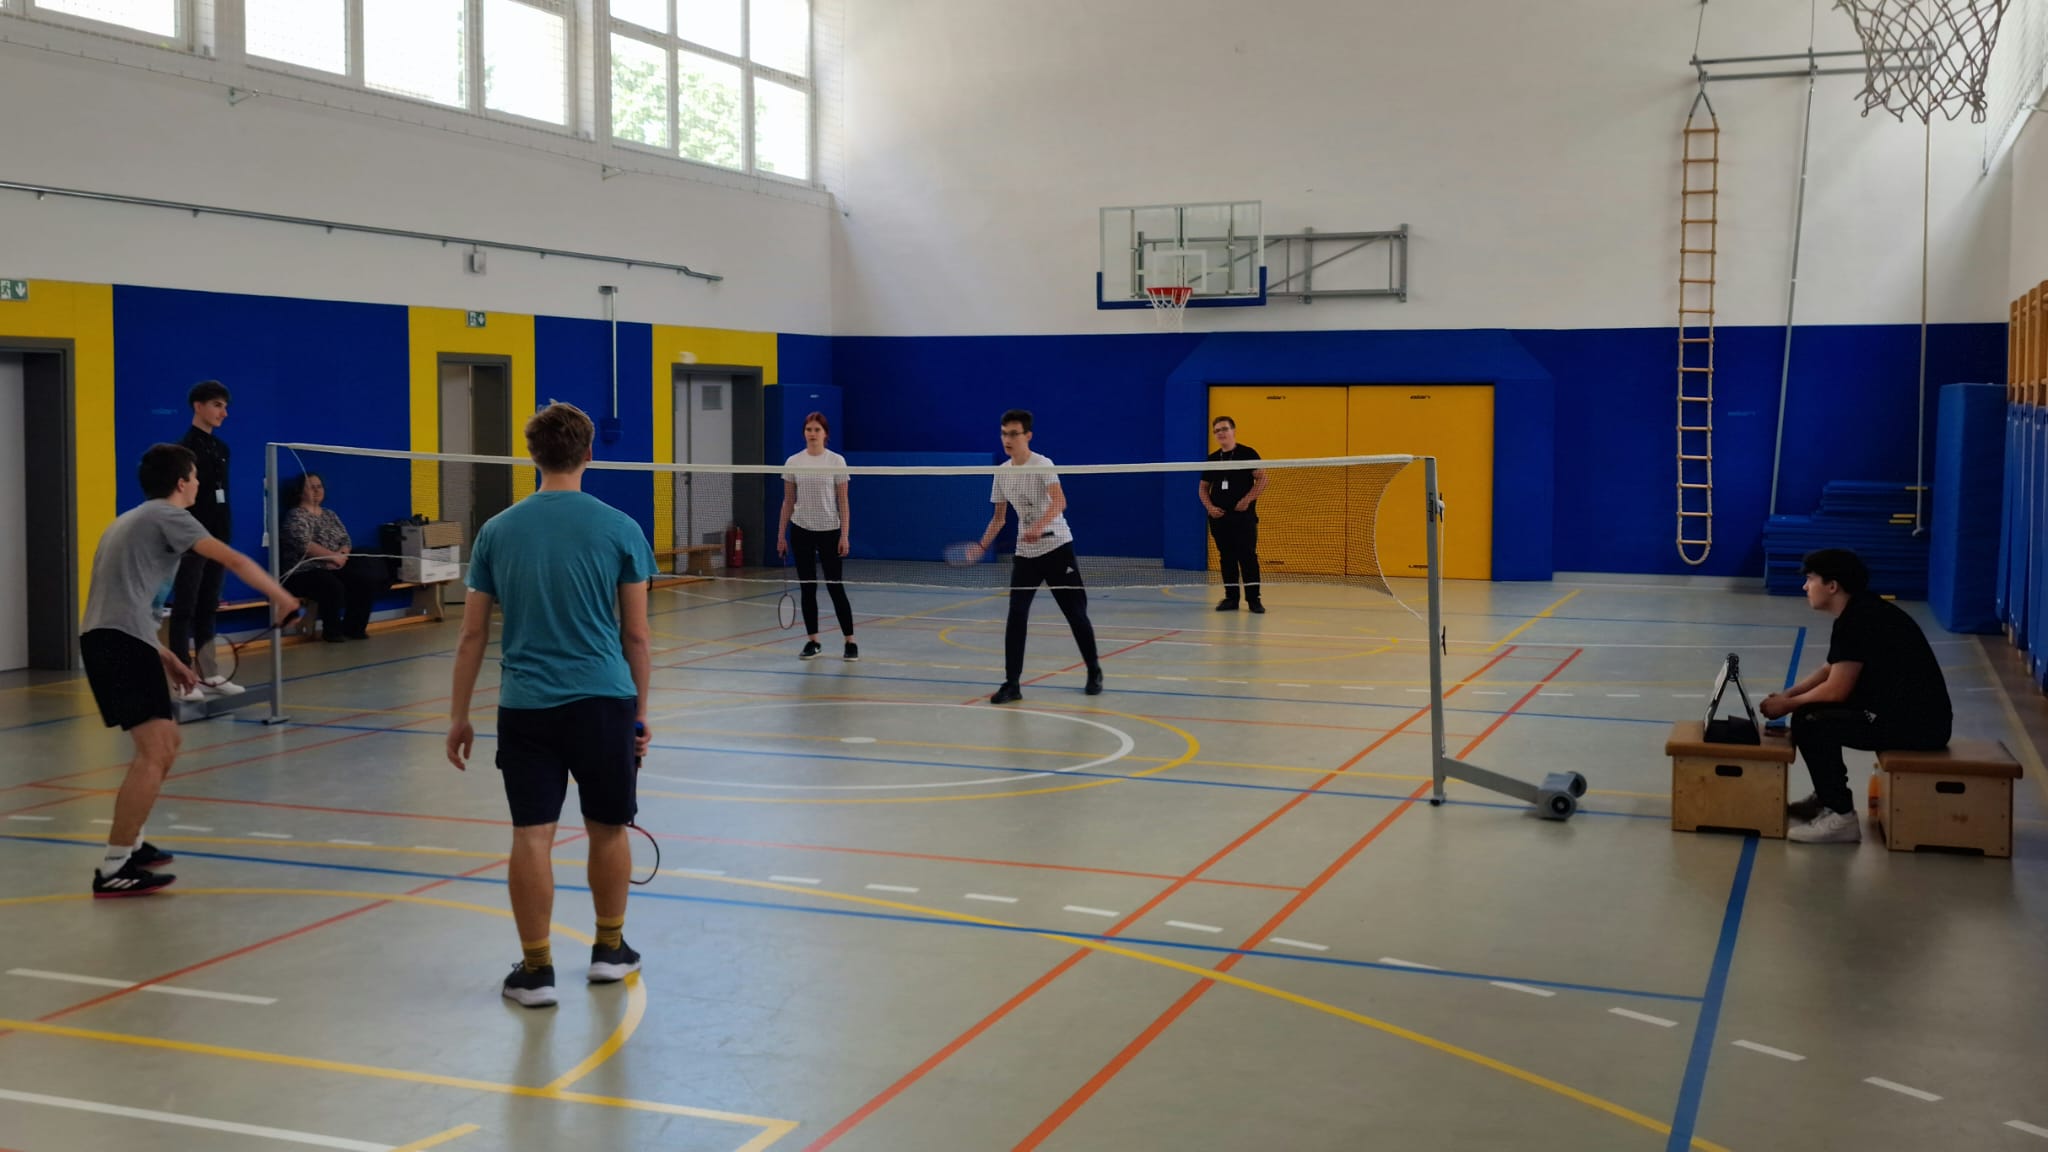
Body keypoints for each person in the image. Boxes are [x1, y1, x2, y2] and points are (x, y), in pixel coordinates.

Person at [446, 401, 658, 1008]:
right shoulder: (621, 527)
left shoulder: (497, 530)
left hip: (526, 707)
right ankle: (609, 951)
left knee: (532, 834)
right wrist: (639, 715)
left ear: (532, 456)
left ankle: (536, 972)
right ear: (588, 454)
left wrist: (459, 715)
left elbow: (472, 634)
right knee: (607, 829)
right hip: (604, 704)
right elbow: (637, 635)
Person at [81, 444, 299, 896]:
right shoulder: (170, 515)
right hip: (120, 643)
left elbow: (123, 604)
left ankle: (133, 844)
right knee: (156, 749)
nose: (198, 483)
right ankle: (114, 869)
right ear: (181, 483)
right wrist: (282, 597)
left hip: (117, 639)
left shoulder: (129, 520)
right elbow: (233, 559)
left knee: (165, 743)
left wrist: (168, 657)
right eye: (195, 476)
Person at [1760, 548, 1951, 845]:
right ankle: (1827, 797)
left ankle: (1841, 816)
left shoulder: (1859, 619)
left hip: (1918, 726)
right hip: (1903, 714)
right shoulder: (1859, 611)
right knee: (1808, 711)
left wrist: (1787, 705)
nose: (1805, 586)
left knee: (1811, 721)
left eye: (1810, 579)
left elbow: (1836, 690)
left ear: (1832, 586)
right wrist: (1789, 694)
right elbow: (1830, 669)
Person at [962, 409, 1103, 705]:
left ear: (1028, 436)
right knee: (1016, 615)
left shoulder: (1043, 464)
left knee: (1075, 613)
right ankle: (1012, 684)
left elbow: (1060, 501)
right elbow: (999, 518)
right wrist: (982, 546)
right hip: (1026, 555)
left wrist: (1039, 526)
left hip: (1057, 549)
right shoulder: (1002, 472)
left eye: (1013, 434)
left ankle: (1094, 670)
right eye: (1004, 434)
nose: (1007, 439)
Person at [168, 380, 237, 701]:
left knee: (209, 605)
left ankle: (210, 673)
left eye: (225, 406)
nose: (224, 412)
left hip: (218, 537)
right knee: (186, 606)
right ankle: (182, 676)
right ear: (198, 406)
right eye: (217, 405)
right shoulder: (183, 451)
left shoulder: (222, 449)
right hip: (191, 540)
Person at [776, 412, 858, 661]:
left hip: (830, 531)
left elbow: (843, 501)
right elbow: (788, 501)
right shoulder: (793, 462)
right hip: (801, 530)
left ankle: (850, 642)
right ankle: (813, 641)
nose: (812, 434)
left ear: (825, 434)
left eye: (817, 430)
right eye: (809, 429)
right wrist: (781, 535)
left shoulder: (836, 461)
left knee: (835, 588)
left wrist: (844, 535)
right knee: (807, 588)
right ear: (804, 432)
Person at [280, 472, 391, 642]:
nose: (317, 490)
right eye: (311, 487)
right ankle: (332, 631)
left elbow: (345, 540)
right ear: (300, 492)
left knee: (363, 581)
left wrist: (342, 557)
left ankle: (354, 628)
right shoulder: (295, 516)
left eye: (319, 486)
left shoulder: (329, 514)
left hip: (335, 566)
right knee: (331, 586)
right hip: (303, 571)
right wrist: (332, 557)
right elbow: (304, 544)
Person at [1200, 415, 1268, 613]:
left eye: (1224, 429)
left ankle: (1254, 600)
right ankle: (1231, 598)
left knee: (1248, 557)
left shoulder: (1247, 453)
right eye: (1217, 431)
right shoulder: (1213, 459)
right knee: (1227, 557)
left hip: (1243, 518)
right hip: (1220, 519)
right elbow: (1203, 488)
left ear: (1233, 430)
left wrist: (1247, 500)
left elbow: (1263, 479)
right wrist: (1210, 508)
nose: (1221, 433)